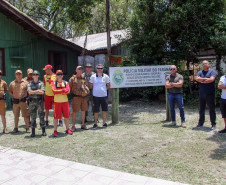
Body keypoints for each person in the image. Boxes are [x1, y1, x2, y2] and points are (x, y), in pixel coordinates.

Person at [195, 60, 217, 130]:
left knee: (211, 109)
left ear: (208, 64)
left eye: (205, 64)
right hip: (202, 93)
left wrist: (202, 80)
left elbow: (211, 79)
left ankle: (213, 124)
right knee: (201, 109)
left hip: (210, 93)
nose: (204, 65)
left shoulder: (212, 72)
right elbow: (197, 79)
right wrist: (206, 80)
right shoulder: (200, 72)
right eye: (203, 64)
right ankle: (200, 123)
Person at [51, 70, 72, 137]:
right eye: (58, 74)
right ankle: (55, 130)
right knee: (56, 117)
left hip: (65, 102)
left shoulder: (66, 83)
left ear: (62, 75)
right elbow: (54, 91)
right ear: (56, 76)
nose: (59, 76)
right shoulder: (54, 83)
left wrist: (59, 91)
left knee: (66, 116)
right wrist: (63, 90)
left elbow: (68, 91)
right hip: (57, 102)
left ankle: (67, 129)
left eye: (61, 74)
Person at [89, 64, 110, 129]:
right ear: (96, 69)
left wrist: (103, 90)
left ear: (103, 69)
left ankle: (104, 123)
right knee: (96, 110)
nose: (99, 69)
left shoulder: (106, 76)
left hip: (104, 96)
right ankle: (95, 123)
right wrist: (95, 90)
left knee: (104, 110)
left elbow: (108, 85)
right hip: (96, 96)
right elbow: (90, 85)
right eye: (98, 68)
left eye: (101, 68)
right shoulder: (93, 76)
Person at [69, 66, 89, 131]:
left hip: (83, 97)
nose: (80, 70)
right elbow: (69, 88)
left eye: (81, 69)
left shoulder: (84, 78)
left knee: (83, 111)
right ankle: (73, 126)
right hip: (76, 97)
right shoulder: (72, 78)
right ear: (76, 70)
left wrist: (86, 90)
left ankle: (83, 124)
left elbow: (86, 85)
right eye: (79, 69)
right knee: (75, 111)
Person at [27, 70, 46, 137]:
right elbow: (29, 92)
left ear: (38, 75)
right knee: (33, 117)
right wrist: (37, 91)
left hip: (40, 101)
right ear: (32, 76)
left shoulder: (41, 83)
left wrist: (34, 91)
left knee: (41, 116)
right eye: (34, 74)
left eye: (36, 74)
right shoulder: (29, 83)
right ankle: (33, 132)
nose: (35, 76)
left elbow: (42, 92)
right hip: (32, 102)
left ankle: (43, 131)